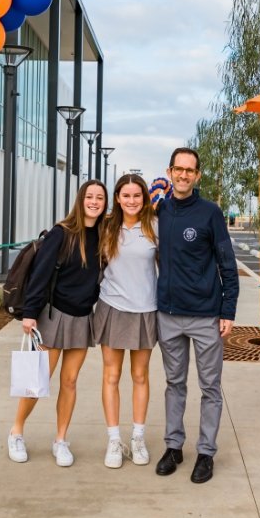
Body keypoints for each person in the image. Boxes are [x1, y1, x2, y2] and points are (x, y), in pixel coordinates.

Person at [8, 180, 108, 467]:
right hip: (52, 316)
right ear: (80, 200)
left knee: (70, 381)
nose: (94, 201)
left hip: (82, 317)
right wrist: (30, 313)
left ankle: (60, 440)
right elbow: (39, 274)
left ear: (104, 204)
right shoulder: (61, 233)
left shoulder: (103, 237)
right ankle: (16, 431)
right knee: (38, 380)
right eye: (89, 196)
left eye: (100, 197)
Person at [154, 147, 239, 484]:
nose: (184, 175)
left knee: (210, 387)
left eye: (190, 170)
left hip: (206, 315)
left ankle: (206, 453)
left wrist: (227, 310)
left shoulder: (210, 213)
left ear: (197, 175)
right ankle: (173, 447)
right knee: (174, 384)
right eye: (178, 169)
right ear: (170, 172)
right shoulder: (158, 210)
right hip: (169, 315)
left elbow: (227, 264)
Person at [93, 174, 159, 468]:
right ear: (117, 198)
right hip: (112, 308)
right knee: (111, 376)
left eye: (137, 196)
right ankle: (114, 441)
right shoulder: (106, 228)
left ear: (144, 198)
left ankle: (138, 438)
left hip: (146, 310)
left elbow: (167, 268)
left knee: (140, 376)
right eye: (126, 195)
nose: (131, 201)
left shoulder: (155, 227)